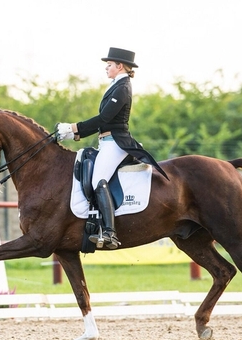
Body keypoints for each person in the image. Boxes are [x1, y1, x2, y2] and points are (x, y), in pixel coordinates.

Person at [56, 47, 168, 250]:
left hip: (116, 142)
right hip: (106, 141)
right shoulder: (116, 85)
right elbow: (103, 121)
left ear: (120, 66)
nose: (106, 67)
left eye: (109, 64)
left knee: (99, 179)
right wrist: (76, 134)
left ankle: (109, 232)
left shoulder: (123, 87)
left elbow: (104, 118)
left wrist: (74, 128)